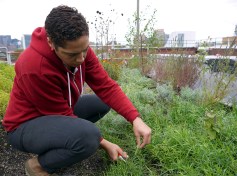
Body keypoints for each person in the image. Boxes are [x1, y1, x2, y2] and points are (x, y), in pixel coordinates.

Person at [2, 5, 151, 175]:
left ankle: (60, 147)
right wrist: (103, 143)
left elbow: (106, 86)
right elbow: (60, 114)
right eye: (72, 54)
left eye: (85, 50)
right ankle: (37, 166)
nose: (81, 59)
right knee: (89, 137)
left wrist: (135, 118)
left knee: (101, 103)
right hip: (24, 126)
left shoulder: (79, 50)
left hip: (52, 115)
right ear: (51, 43)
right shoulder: (35, 67)